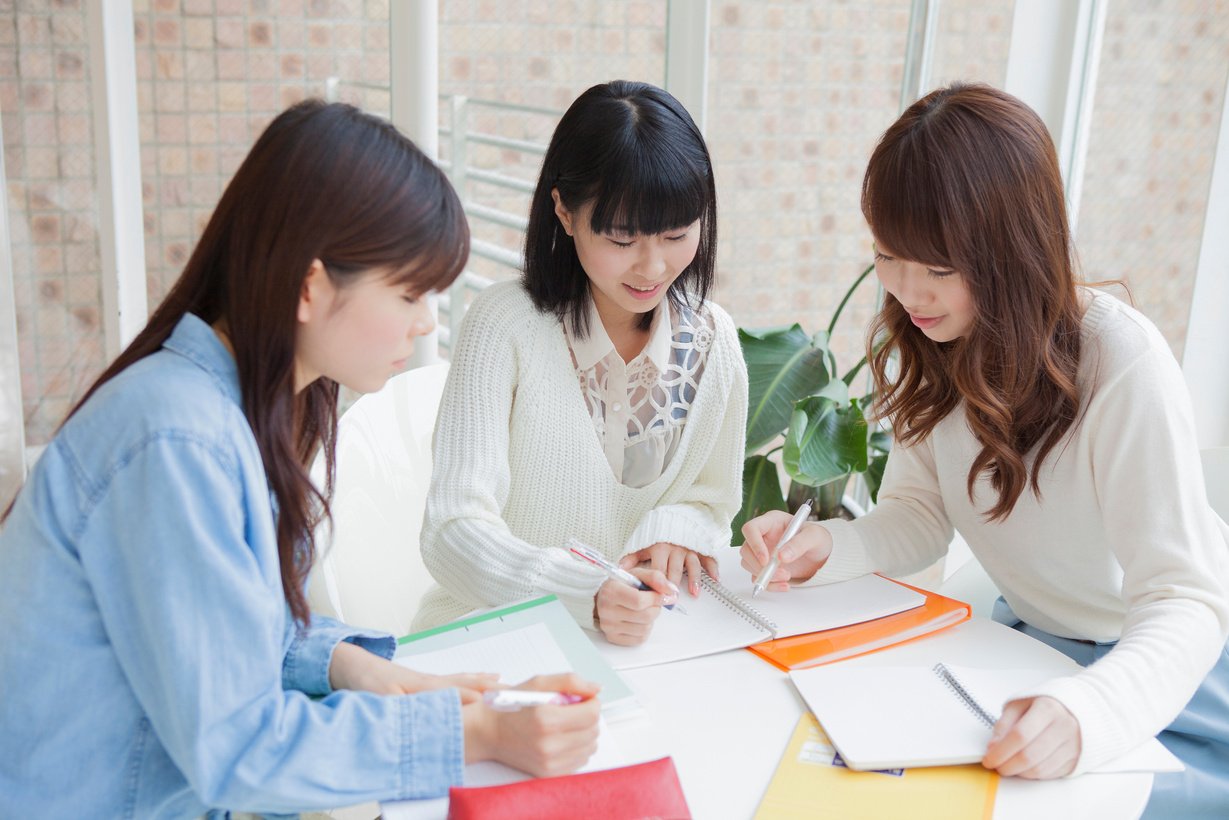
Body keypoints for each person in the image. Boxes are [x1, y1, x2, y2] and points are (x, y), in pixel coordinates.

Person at [0, 100, 600, 818]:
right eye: (409, 291)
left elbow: (217, 631)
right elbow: (240, 750)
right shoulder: (175, 440)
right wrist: (473, 732)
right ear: (310, 286)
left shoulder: (222, 408)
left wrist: (350, 666)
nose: (425, 322)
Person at [740, 83, 1229, 817]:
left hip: (1169, 673)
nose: (908, 292)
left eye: (938, 269)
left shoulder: (1121, 362)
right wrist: (825, 548)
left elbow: (1186, 600)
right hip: (1031, 650)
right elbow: (917, 512)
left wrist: (1089, 714)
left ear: (1012, 251)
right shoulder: (928, 337)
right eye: (887, 256)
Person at [414, 80, 748, 646]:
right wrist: (582, 591)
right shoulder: (504, 325)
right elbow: (452, 532)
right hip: (488, 643)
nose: (653, 266)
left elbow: (712, 499)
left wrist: (673, 529)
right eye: (622, 239)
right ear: (565, 213)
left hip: (642, 651)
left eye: (676, 234)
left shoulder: (714, 342)